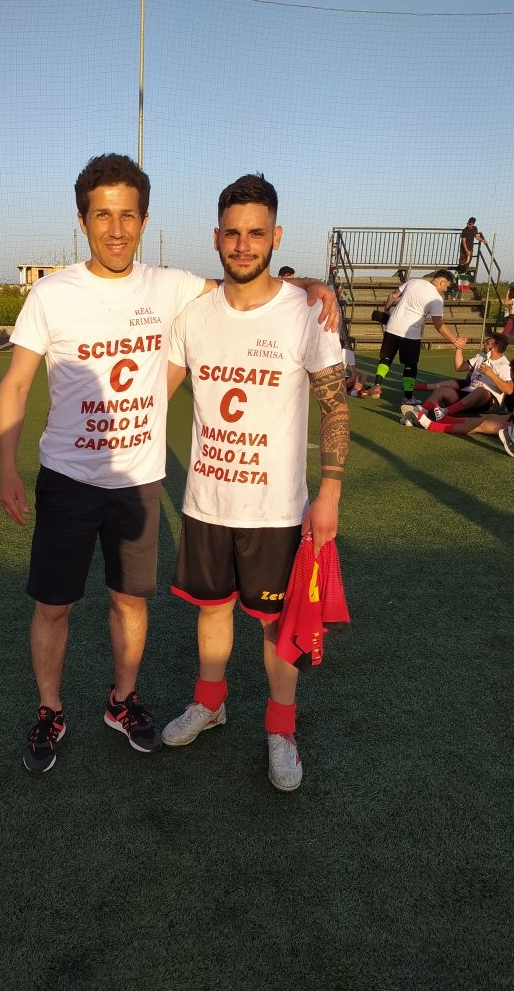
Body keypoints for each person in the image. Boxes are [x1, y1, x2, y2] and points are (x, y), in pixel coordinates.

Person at [0, 153, 340, 774]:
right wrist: (7, 467)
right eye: (103, 215)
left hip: (152, 486)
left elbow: (254, 287)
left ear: (145, 221)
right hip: (78, 482)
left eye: (128, 215)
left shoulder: (179, 287)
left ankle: (145, 706)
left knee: (149, 604)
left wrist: (315, 283)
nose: (116, 229)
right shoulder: (59, 294)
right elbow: (21, 383)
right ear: (83, 221)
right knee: (60, 606)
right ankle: (61, 710)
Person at [160, 174, 349, 792]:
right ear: (216, 237)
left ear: (276, 236)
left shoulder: (306, 312)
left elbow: (334, 405)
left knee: (275, 626)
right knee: (212, 610)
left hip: (275, 510)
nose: (244, 245)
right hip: (207, 501)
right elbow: (158, 393)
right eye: (233, 233)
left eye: (256, 233)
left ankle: (280, 730)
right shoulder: (193, 315)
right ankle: (209, 703)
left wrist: (330, 492)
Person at [361, 270, 465, 403]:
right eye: (447, 287)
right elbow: (438, 323)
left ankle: (377, 385)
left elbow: (393, 295)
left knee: (386, 358)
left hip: (392, 327)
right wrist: (454, 340)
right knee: (410, 366)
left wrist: (386, 310)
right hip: (410, 334)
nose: (446, 290)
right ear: (442, 282)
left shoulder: (413, 282)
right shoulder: (437, 299)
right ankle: (408, 397)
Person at [400, 334, 512, 421]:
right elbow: (459, 367)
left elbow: (509, 390)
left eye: (487, 343)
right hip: (468, 393)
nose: (484, 343)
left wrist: (491, 374)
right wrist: (459, 349)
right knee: (441, 390)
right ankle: (421, 412)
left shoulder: (504, 365)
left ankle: (445, 412)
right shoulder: (480, 357)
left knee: (481, 391)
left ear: (493, 348)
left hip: (487, 403)